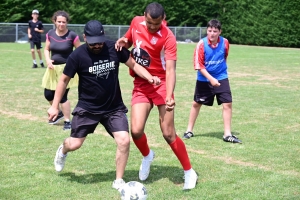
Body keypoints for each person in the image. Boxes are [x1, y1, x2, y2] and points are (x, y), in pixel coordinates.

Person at [48, 20, 161, 191]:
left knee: (124, 140)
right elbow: (63, 80)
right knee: (75, 144)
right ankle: (62, 151)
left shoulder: (114, 48)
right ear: (85, 37)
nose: (98, 45)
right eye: (93, 42)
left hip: (113, 107)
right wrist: (55, 106)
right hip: (88, 108)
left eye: (100, 40)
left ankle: (118, 180)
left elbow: (134, 64)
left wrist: (149, 77)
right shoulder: (77, 55)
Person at [115, 2, 198, 190]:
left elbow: (170, 69)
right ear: (144, 15)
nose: (153, 27)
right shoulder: (136, 22)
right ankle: (147, 156)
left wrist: (169, 95)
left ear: (163, 19)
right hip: (141, 83)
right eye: (150, 23)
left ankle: (189, 172)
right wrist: (123, 41)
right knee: (135, 130)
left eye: (157, 23)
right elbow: (130, 41)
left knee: (168, 133)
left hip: (161, 84)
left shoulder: (168, 36)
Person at [183, 19, 242, 144]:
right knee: (196, 104)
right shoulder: (201, 44)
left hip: (221, 76)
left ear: (220, 32)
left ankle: (227, 134)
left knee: (227, 104)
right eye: (210, 31)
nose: (212, 34)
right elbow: (199, 66)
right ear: (207, 31)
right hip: (204, 78)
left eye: (215, 31)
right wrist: (211, 79)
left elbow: (224, 57)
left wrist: (218, 77)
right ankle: (189, 130)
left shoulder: (225, 42)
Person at [42, 10, 81, 130]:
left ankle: (67, 121)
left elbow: (80, 51)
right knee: (48, 94)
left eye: (63, 22)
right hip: (52, 69)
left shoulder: (72, 35)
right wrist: (48, 60)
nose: (61, 24)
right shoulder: (50, 33)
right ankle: (58, 113)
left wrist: (75, 65)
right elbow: (46, 49)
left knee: (63, 97)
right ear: (54, 21)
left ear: (67, 22)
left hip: (66, 70)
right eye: (59, 21)